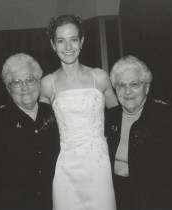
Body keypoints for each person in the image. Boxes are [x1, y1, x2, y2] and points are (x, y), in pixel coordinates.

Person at [39, 15, 118, 210]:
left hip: (98, 165)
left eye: (73, 39)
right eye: (60, 41)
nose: (68, 47)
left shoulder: (99, 77)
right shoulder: (47, 84)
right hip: (65, 167)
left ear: (81, 42)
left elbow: (119, 118)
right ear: (52, 44)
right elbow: (41, 130)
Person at [106, 55, 172, 210]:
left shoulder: (167, 117)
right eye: (121, 85)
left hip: (156, 201)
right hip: (117, 200)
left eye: (134, 84)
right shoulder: (109, 118)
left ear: (146, 87)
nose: (127, 91)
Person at [0, 53, 60, 210]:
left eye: (30, 80)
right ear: (8, 88)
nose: (24, 87)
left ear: (39, 83)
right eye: (16, 82)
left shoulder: (52, 114)